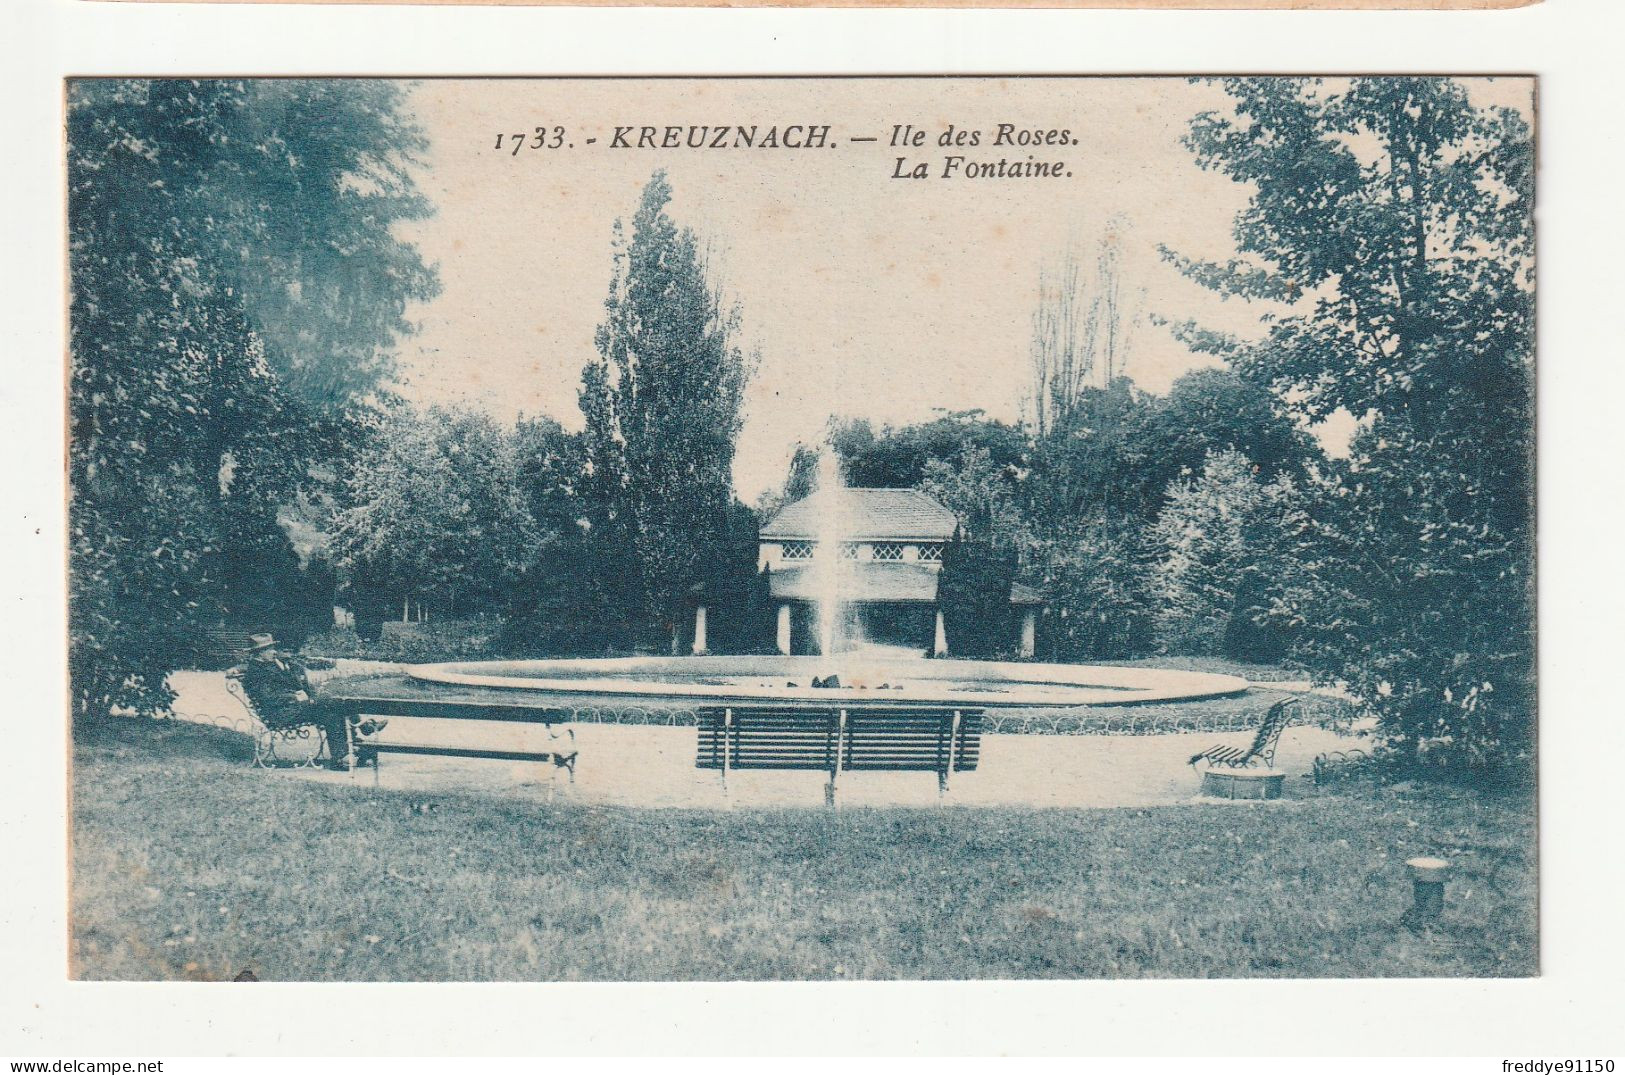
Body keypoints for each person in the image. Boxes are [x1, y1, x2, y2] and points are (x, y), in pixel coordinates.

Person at [230, 634, 379, 770]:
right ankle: (363, 730)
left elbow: (283, 684)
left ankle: (341, 757)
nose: (274, 652)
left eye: (273, 648)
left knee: (331, 713)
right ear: (260, 653)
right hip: (280, 714)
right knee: (331, 701)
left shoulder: (266, 666)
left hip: (290, 709)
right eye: (269, 649)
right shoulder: (257, 672)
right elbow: (268, 697)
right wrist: (295, 697)